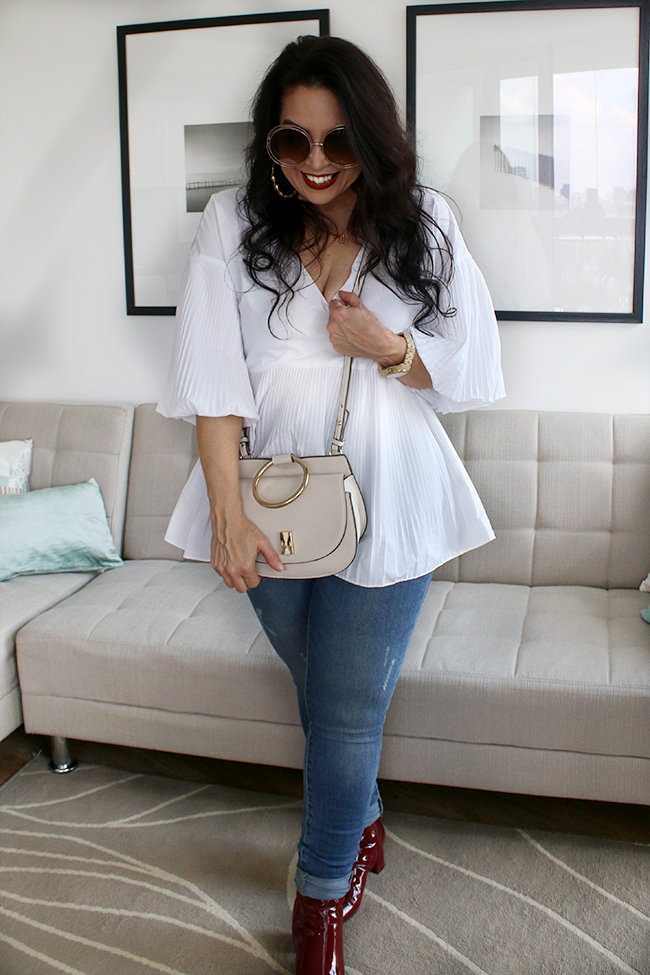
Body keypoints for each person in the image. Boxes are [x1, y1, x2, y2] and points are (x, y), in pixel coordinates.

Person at [157, 34, 505, 975]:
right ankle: (368, 818)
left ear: (373, 139)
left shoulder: (423, 218)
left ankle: (319, 907)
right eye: (292, 142)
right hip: (267, 499)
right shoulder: (233, 221)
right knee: (326, 692)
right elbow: (213, 383)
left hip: (390, 491)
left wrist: (388, 347)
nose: (315, 164)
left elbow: (474, 369)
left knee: (347, 708)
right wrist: (226, 516)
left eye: (338, 142)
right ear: (268, 144)